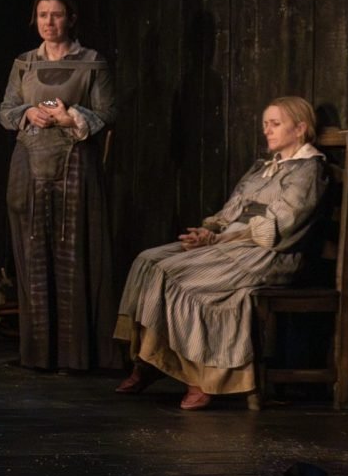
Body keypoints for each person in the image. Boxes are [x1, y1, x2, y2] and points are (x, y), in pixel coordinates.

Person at [115, 97, 327, 410]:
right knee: (148, 260)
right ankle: (149, 360)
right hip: (233, 243)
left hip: (271, 254)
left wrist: (221, 238)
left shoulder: (308, 171)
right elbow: (232, 209)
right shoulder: (263, 168)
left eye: (275, 124)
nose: (266, 130)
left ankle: (201, 378)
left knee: (176, 276)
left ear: (300, 129)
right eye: (265, 123)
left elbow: (282, 225)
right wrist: (209, 232)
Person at [0, 0, 116, 372]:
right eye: (43, 15)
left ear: (70, 18)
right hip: (29, 158)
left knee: (72, 248)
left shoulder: (91, 62)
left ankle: (75, 354)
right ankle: (38, 353)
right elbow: (5, 111)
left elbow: (109, 113)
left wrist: (71, 117)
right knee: (34, 251)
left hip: (74, 159)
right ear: (36, 19)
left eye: (57, 15)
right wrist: (29, 111)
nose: (50, 22)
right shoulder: (24, 63)